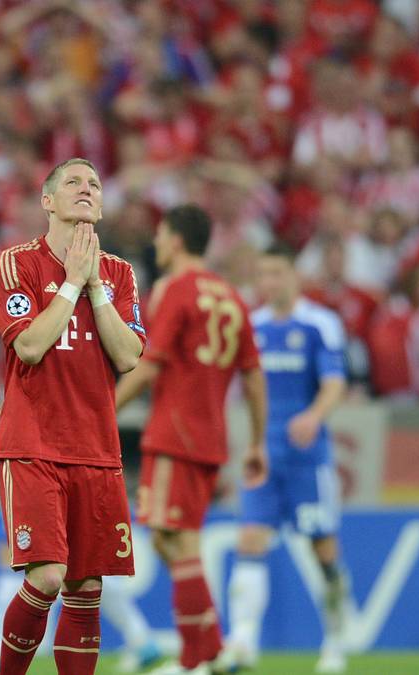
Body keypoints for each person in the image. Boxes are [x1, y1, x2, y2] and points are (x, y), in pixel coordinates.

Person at [0, 157, 146, 675]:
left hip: (97, 448)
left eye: (95, 183)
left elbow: (127, 356)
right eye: (73, 182)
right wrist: (71, 283)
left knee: (86, 586)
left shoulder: (120, 274)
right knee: (50, 576)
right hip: (33, 443)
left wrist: (94, 284)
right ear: (47, 201)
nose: (87, 188)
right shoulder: (17, 262)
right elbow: (30, 344)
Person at [114, 204, 268, 675]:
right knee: (174, 540)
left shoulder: (172, 290)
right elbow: (253, 374)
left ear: (177, 240)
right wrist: (257, 441)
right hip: (211, 438)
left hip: (174, 434)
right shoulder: (231, 296)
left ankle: (196, 659)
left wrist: (103, 411)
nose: (157, 243)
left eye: (161, 235)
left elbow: (151, 364)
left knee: (173, 540)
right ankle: (211, 652)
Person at [218, 243, 349, 674]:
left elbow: (334, 382)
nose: (267, 282)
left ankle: (334, 641)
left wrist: (313, 416)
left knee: (323, 550)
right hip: (263, 457)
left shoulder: (320, 324)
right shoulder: (251, 326)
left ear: (294, 275)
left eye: (275, 273)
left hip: (309, 459)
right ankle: (242, 644)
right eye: (262, 274)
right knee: (249, 541)